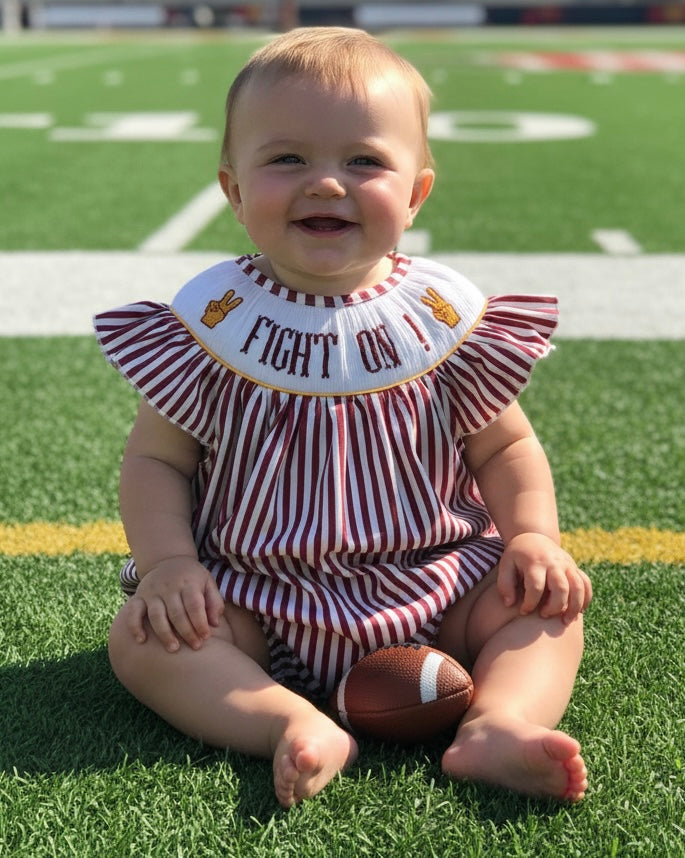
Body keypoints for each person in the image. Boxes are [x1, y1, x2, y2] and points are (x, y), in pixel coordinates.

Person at [95, 26, 592, 809]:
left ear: (417, 191)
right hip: (256, 593)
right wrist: (168, 566)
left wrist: (532, 538)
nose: (327, 184)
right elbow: (158, 461)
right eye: (287, 159)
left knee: (546, 608)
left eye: (363, 161)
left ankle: (497, 723)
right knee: (143, 640)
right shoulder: (211, 325)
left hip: (437, 584)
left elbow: (507, 447)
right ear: (231, 188)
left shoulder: (444, 320)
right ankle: (285, 722)